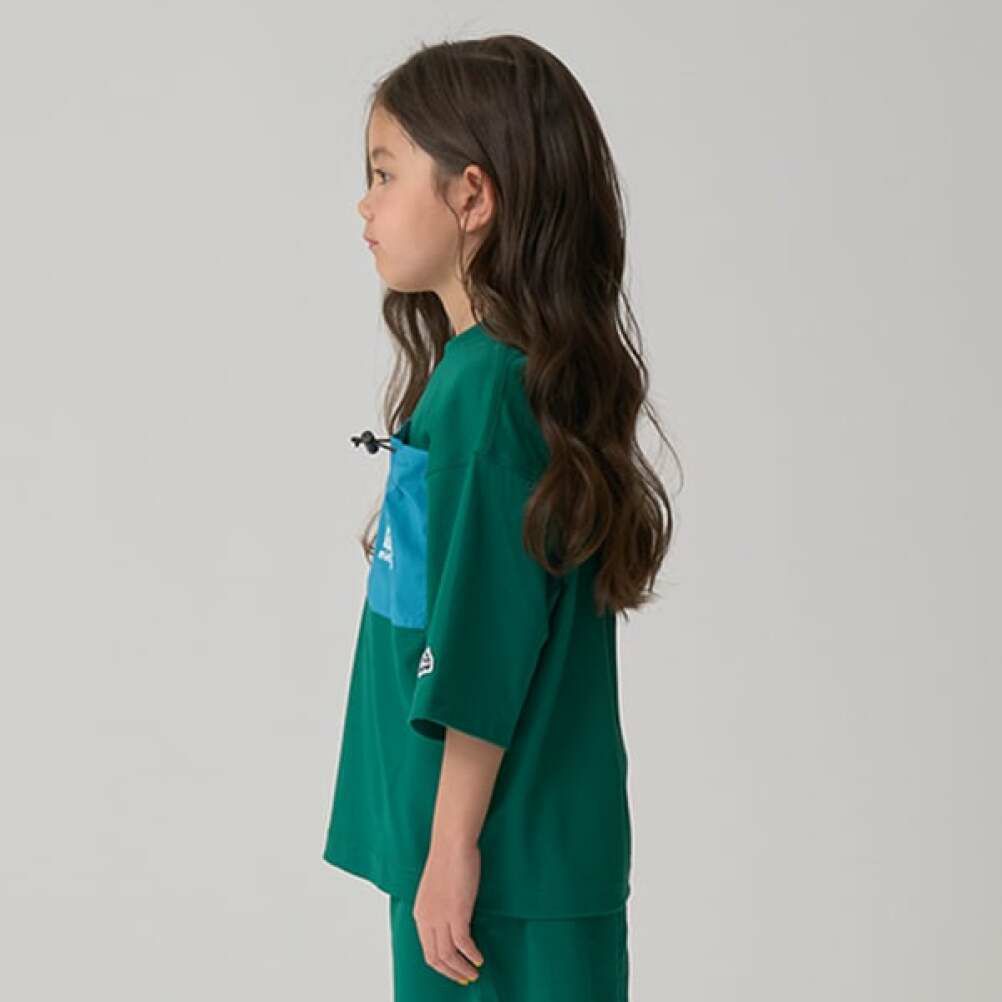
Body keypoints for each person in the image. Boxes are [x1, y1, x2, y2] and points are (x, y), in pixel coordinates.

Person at [322, 33, 679, 1002]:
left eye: (385, 174)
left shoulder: (487, 391)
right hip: (504, 854)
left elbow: (481, 642)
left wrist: (450, 850)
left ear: (472, 197)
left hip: (492, 864)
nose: (364, 204)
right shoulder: (491, 378)